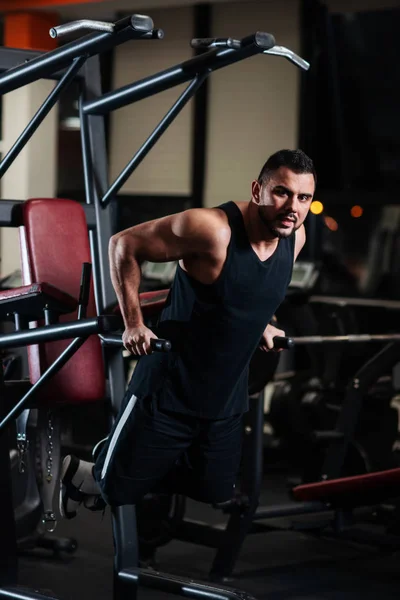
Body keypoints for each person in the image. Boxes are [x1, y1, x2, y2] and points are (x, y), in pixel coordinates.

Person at [60, 148, 316, 519]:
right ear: (258, 189)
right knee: (117, 488)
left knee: (214, 489)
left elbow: (250, 288)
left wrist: (262, 323)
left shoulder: (296, 236)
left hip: (226, 395)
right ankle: (101, 470)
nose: (293, 206)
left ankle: (118, 464)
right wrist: (134, 322)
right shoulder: (212, 229)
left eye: (304, 197)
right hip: (169, 389)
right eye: (282, 192)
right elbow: (123, 244)